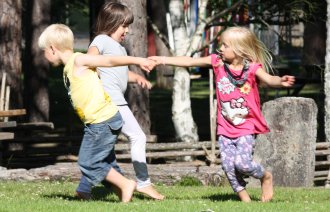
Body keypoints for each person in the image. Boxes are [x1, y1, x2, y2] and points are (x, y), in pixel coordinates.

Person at [149, 26, 295, 202]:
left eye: (225, 46)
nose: (221, 49)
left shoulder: (251, 69)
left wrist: (280, 81)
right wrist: (162, 59)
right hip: (224, 127)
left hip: (245, 126)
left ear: (239, 49)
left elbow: (270, 79)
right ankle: (246, 201)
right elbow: (189, 62)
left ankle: (266, 176)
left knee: (242, 164)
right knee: (228, 166)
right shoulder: (217, 62)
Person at [38, 23, 156, 203]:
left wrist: (138, 61)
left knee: (88, 162)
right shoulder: (70, 67)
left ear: (53, 49)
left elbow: (109, 61)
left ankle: (125, 185)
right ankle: (103, 192)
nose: (43, 55)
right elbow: (107, 72)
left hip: (103, 120)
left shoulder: (79, 61)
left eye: (44, 50)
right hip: (97, 122)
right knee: (107, 162)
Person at [76, 2, 164, 200]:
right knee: (138, 137)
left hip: (114, 102)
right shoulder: (101, 40)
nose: (127, 30)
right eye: (124, 26)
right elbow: (91, 61)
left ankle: (83, 189)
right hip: (111, 102)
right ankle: (143, 183)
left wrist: (137, 78)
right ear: (112, 22)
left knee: (103, 150)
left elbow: (118, 73)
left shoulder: (119, 49)